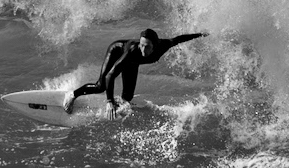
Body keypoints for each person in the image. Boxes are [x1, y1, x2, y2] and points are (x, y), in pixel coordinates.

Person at [64, 29, 207, 115]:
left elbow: (179, 39)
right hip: (116, 52)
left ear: (155, 45)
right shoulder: (133, 51)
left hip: (133, 63)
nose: (143, 50)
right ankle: (73, 95)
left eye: (147, 46)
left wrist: (200, 34)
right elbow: (110, 75)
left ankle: (118, 105)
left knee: (127, 97)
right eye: (142, 45)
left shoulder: (163, 45)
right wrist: (109, 101)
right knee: (101, 86)